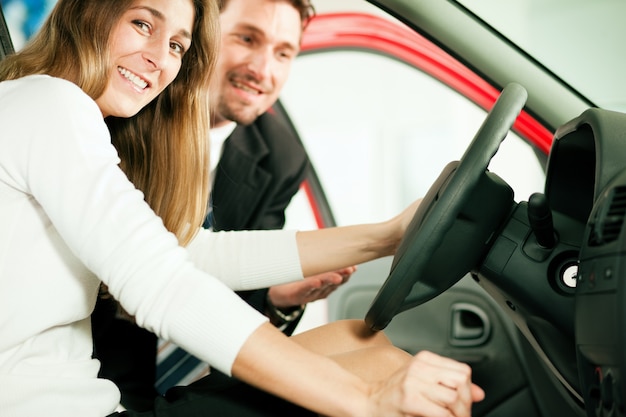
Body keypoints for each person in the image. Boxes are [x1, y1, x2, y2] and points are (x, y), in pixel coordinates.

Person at [0, 0, 485, 416]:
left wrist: (388, 235)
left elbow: (189, 252)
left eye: (176, 46)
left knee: (360, 340)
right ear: (89, 13)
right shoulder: (51, 104)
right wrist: (364, 398)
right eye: (143, 24)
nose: (158, 59)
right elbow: (163, 281)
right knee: (378, 370)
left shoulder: (57, 111)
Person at [92, 0, 355, 408]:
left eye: (283, 53)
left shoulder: (281, 157)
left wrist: (277, 300)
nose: (263, 71)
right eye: (247, 39)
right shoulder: (122, 106)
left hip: (189, 386)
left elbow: (235, 291)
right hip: (90, 373)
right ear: (199, 33)